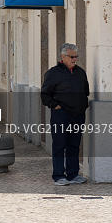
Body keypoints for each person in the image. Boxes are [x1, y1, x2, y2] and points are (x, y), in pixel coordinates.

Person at [41, 43, 89, 186]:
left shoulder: (81, 72)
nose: (75, 59)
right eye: (72, 57)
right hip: (60, 115)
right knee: (59, 145)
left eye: (76, 57)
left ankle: (73, 174)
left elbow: (86, 91)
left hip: (78, 115)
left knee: (74, 145)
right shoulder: (53, 73)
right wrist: (56, 106)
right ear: (63, 57)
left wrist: (83, 105)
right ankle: (58, 176)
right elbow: (44, 95)